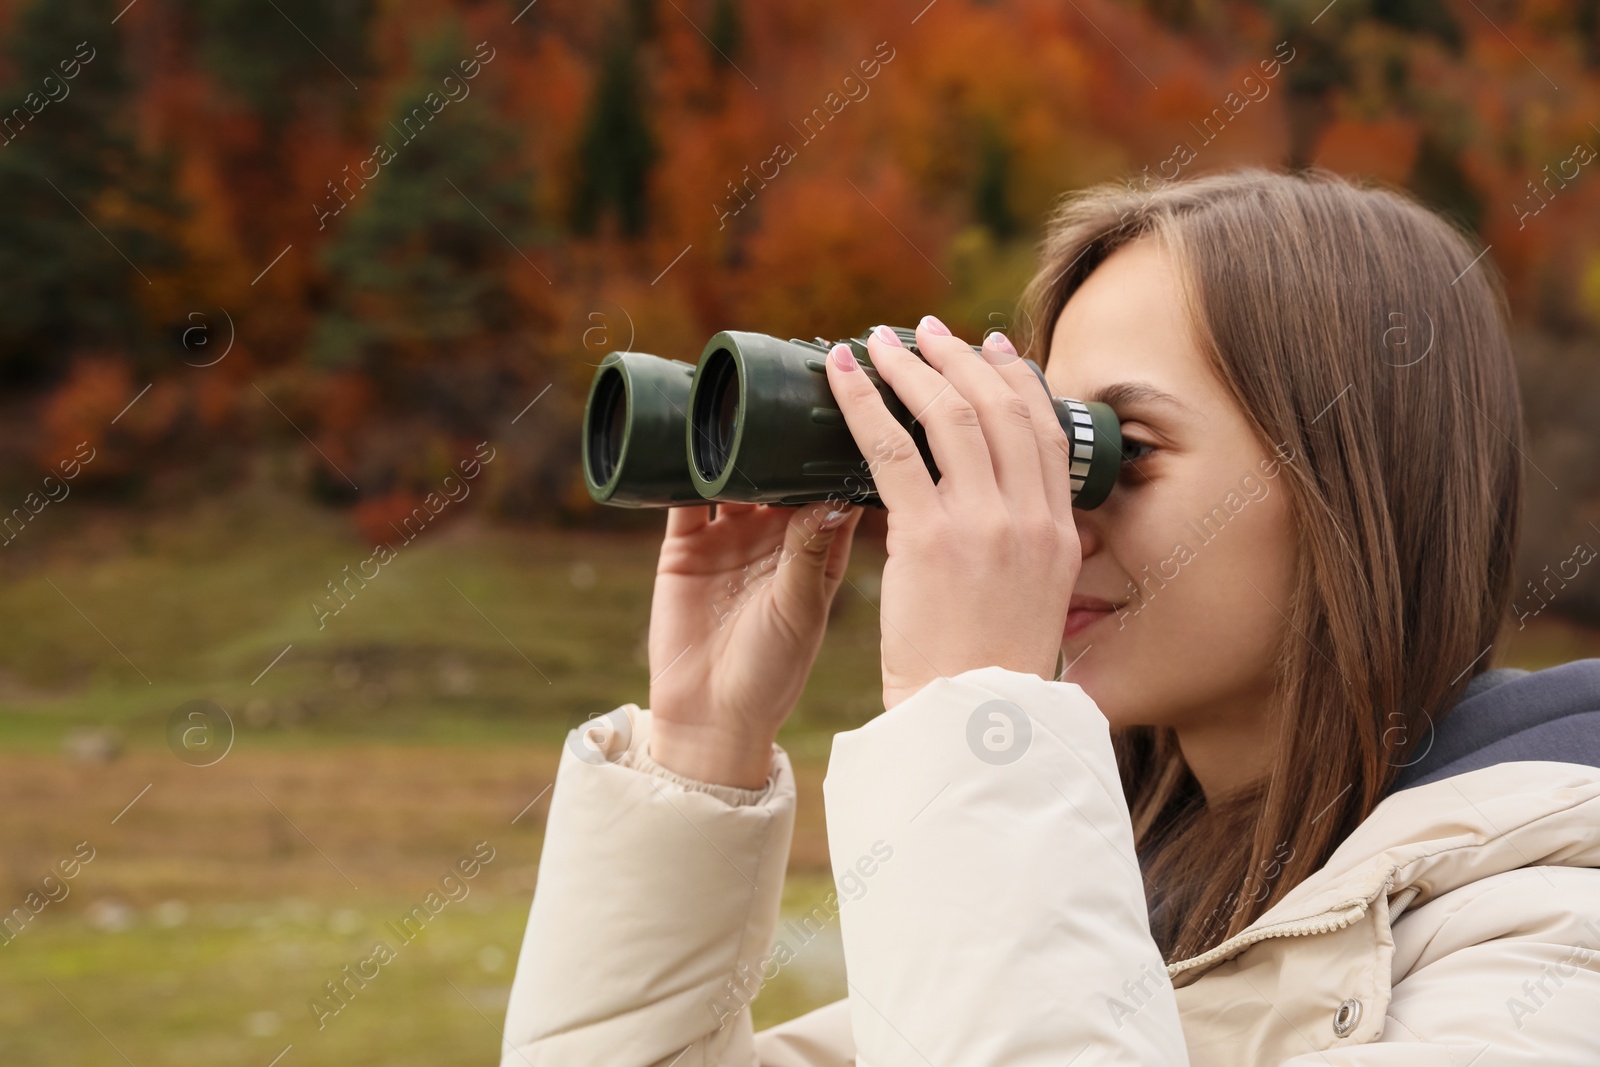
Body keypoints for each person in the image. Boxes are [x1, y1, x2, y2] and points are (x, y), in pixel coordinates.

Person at [498, 166, 1600, 1065]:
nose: (1050, 524)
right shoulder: (1096, 908)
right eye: (1044, 445)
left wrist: (973, 710)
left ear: (1358, 482)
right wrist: (700, 749)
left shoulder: (1553, 935)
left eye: (1117, 452)